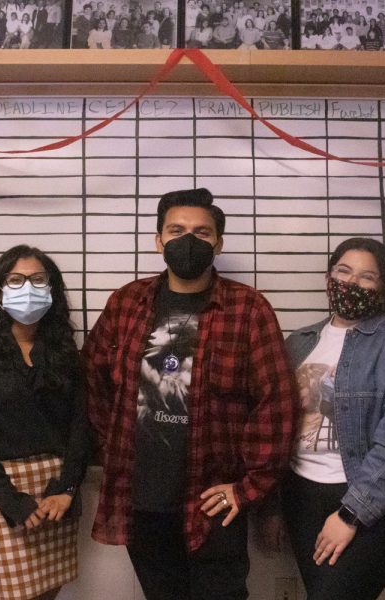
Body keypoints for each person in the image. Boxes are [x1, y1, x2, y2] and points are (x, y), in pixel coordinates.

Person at [82, 188, 298, 600]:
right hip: (141, 500)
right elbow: (93, 381)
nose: (188, 240)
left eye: (202, 232)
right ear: (158, 240)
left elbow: (277, 404)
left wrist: (248, 486)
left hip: (213, 503)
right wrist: (113, 448)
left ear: (218, 243)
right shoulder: (126, 302)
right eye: (176, 230)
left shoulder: (248, 309)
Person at [278, 237, 385, 600]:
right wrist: (272, 509)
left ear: (383, 289)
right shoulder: (298, 342)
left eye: (367, 277)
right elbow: (277, 428)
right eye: (343, 271)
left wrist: (351, 515)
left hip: (376, 505)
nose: (351, 282)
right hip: (303, 499)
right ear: (328, 275)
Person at [0, 246, 90, 600]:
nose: (28, 287)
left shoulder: (60, 345)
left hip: (55, 484)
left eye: (38, 279)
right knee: (14, 593)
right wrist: (8, 498)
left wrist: (68, 487)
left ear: (52, 288)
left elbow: (80, 420)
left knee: (47, 591)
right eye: (16, 279)